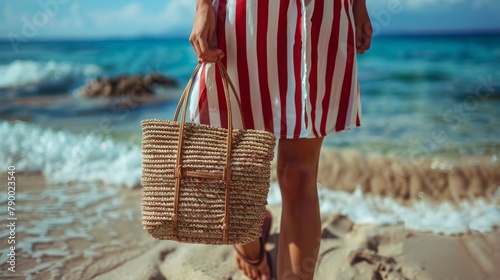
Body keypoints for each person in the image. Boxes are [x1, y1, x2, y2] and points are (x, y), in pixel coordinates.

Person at [189, 0, 372, 279]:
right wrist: (203, 6)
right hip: (246, 13)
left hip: (321, 13)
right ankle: (249, 243)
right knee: (235, 162)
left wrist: (359, 4)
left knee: (297, 173)